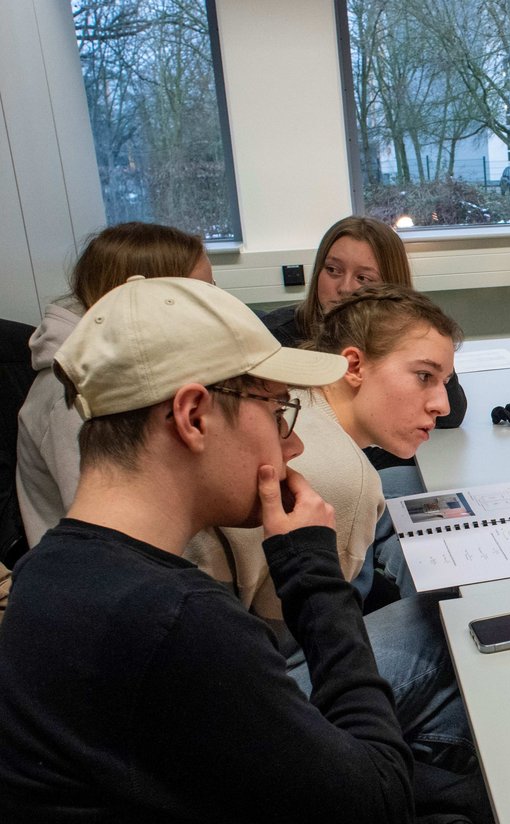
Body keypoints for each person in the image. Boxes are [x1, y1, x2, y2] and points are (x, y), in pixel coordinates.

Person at [0, 276, 428, 821]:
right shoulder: (175, 621)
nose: (293, 443)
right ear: (194, 416)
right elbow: (378, 804)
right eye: (277, 412)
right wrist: (315, 579)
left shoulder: (50, 567)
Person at [184, 284, 485, 794]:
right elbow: (314, 632)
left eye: (445, 382)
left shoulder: (306, 407)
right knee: (453, 616)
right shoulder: (344, 476)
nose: (439, 403)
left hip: (216, 666)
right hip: (261, 691)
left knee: (398, 490)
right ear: (354, 365)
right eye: (423, 377)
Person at [17, 222, 213, 547]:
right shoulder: (69, 392)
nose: (215, 307)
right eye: (200, 294)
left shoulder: (142, 364)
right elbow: (109, 531)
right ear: (144, 296)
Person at [260, 216, 466, 429]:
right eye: (332, 270)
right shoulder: (275, 340)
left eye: (363, 278)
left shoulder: (405, 333)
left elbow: (451, 416)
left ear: (391, 287)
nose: (345, 288)